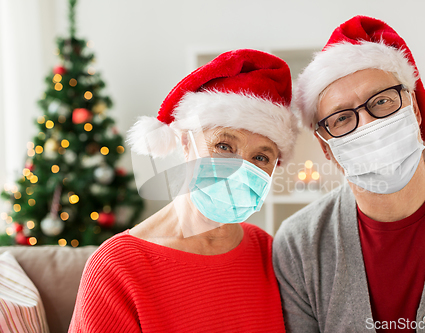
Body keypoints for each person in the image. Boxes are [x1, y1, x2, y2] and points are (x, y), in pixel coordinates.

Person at [273, 15, 425, 333]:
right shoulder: (300, 245)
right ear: (328, 150)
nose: (369, 125)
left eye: (382, 102)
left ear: (415, 111)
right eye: (341, 118)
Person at [69, 49, 299, 332]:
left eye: (260, 158)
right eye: (224, 146)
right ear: (186, 143)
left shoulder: (269, 252)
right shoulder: (117, 266)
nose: (240, 170)